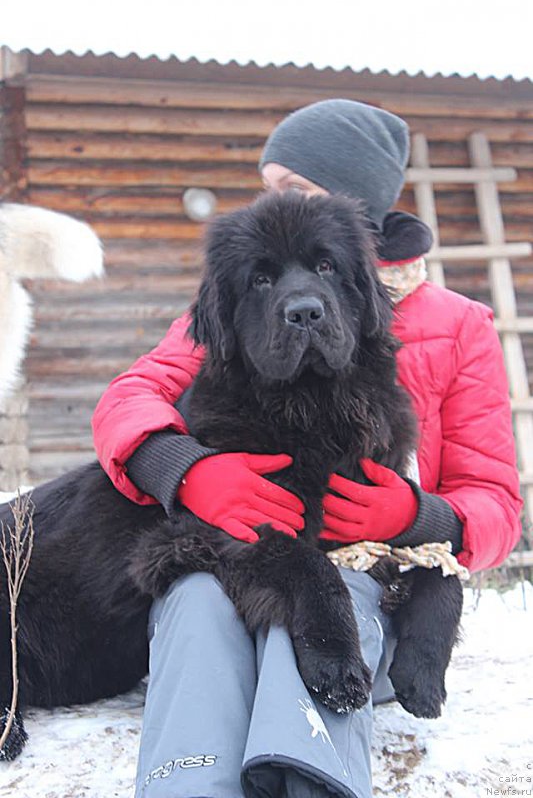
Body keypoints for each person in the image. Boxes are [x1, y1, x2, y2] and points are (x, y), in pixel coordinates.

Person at [92, 100, 523, 798]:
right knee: (196, 596)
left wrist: (418, 518)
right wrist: (184, 469)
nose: (273, 203)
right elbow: (127, 398)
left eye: (293, 188)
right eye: (269, 186)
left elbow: (495, 501)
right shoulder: (241, 299)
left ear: (355, 202)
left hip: (364, 585)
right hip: (250, 569)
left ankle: (310, 780)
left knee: (339, 599)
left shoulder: (458, 326)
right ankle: (185, 786)